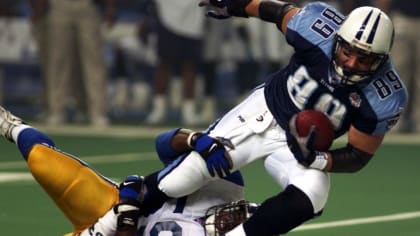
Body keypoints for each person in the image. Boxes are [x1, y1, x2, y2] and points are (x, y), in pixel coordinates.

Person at [128, 1, 407, 235]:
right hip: (262, 113)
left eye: (365, 60)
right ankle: (120, 207)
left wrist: (317, 159)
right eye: (348, 52)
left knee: (311, 196)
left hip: (297, 144)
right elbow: (277, 12)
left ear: (382, 60)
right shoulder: (317, 29)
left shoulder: (385, 95)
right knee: (182, 180)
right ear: (337, 41)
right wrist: (236, 5)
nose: (352, 64)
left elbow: (358, 155)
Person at [0, 105, 246, 236]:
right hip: (111, 204)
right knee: (43, 161)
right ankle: (11, 126)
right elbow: (163, 144)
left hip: (119, 225)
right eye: (238, 216)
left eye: (234, 225)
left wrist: (126, 221)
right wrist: (194, 139)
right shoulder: (227, 183)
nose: (231, 220)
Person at [42, 0, 114, 126]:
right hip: (59, 5)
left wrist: (110, 8)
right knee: (58, 61)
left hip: (87, 5)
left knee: (94, 61)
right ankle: (56, 110)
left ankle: (98, 112)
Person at [375, 0, 420, 133]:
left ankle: (418, 121)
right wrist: (382, 16)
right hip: (401, 17)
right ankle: (394, 119)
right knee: (397, 73)